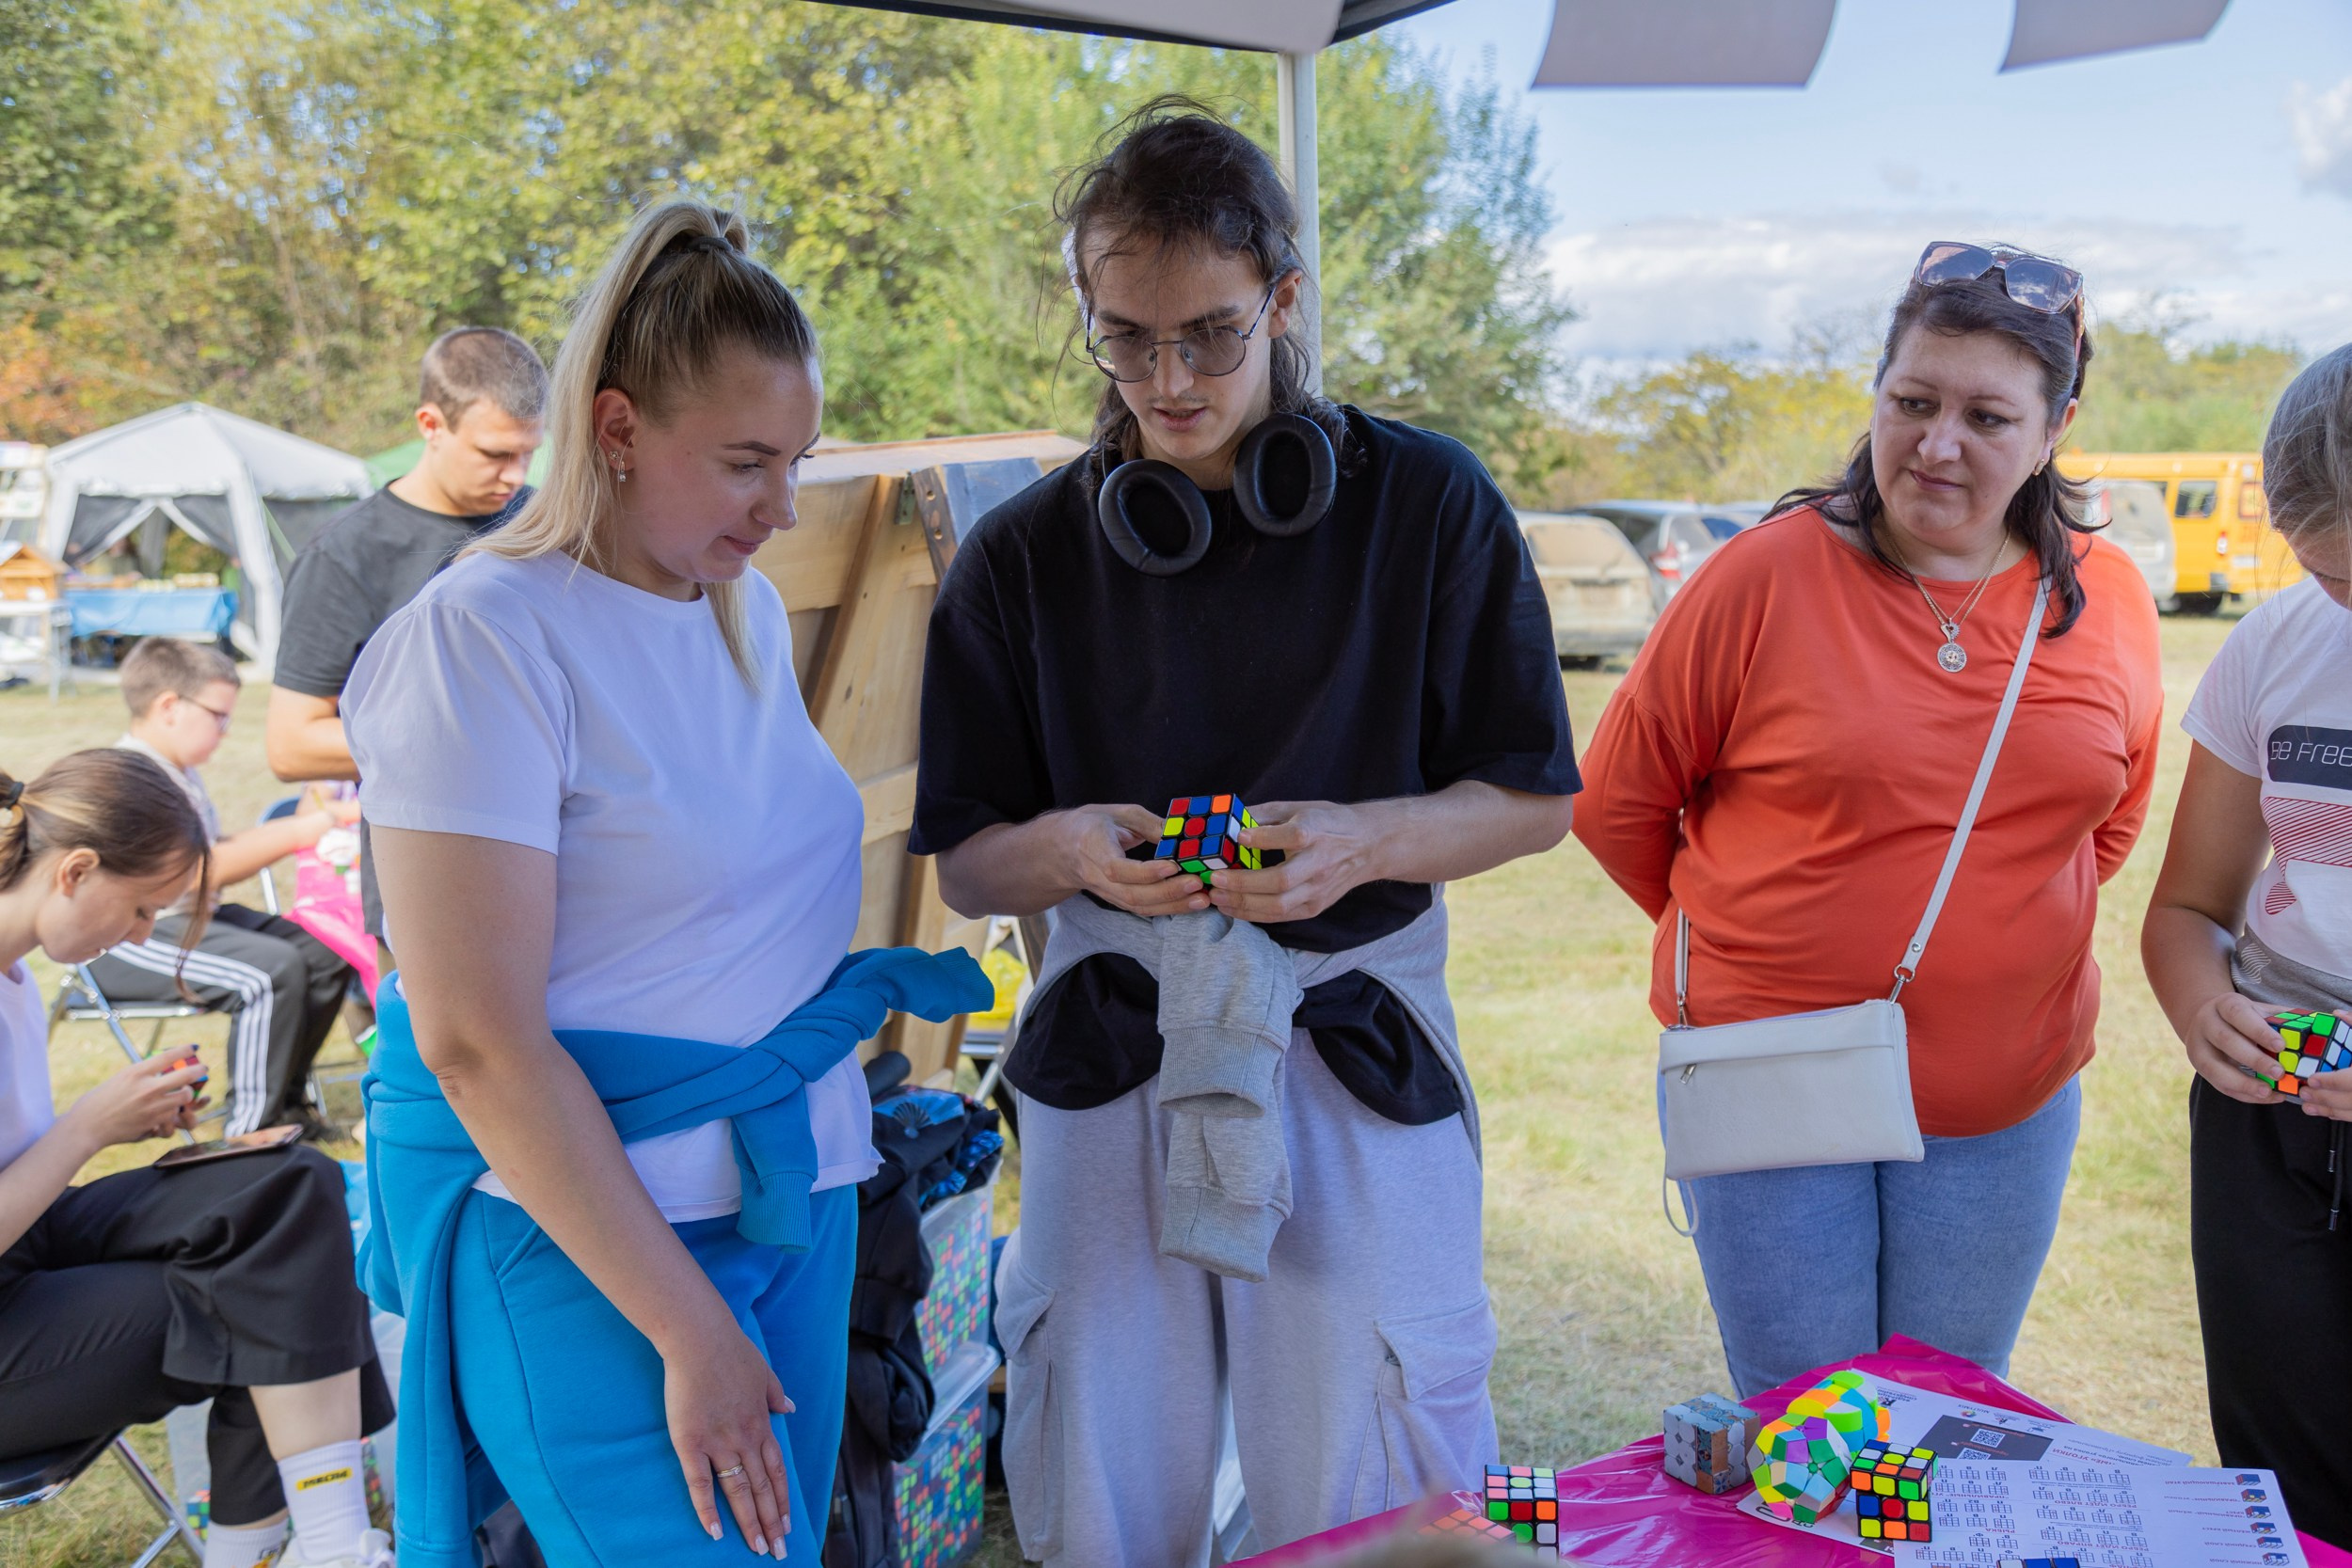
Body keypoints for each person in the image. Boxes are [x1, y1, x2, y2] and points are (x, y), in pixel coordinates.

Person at [911, 102, 1579, 1566]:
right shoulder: (1022, 555)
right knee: (1096, 1447)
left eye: (1210, 333)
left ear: (1285, 298)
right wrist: (1077, 851)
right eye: (1126, 338)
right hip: (1110, 1047)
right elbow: (966, 859)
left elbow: (1533, 800)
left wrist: (1371, 839)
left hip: (1351, 1043)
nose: (1168, 379)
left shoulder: (1429, 502)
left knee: (1365, 1464)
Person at [343, 199, 980, 1568]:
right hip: (586, 1237)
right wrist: (689, 1322)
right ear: (617, 428)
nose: (783, 506)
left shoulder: (734, 604)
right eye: (748, 461)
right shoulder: (482, 639)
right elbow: (474, 1038)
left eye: (796, 461)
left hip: (789, 1186)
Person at [1573, 242, 2163, 1399]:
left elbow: (2103, 823)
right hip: (1772, 1086)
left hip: (2004, 1103)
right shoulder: (1761, 576)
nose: (1937, 443)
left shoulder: (2111, 600)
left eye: (1987, 416)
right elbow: (1617, 806)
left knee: (1948, 1418)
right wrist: (1761, 939)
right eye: (1912, 401)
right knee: (1808, 1433)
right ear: (1877, 394)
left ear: (2056, 429)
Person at [0, 749, 395, 1568]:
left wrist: (127, 1120)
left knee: (289, 1187)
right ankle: (305, 1543)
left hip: (27, 1249)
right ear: (75, 871)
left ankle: (317, 1540)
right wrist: (86, 1127)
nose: (145, 935)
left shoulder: (13, 980)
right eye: (144, 909)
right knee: (262, 1284)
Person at [2144, 342, 2352, 1547]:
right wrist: (2198, 1007)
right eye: (2329, 576)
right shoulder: (2272, 643)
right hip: (2269, 1114)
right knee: (2278, 1479)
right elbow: (2186, 909)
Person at [266, 325, 548, 957]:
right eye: (495, 453)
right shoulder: (346, 557)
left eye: (529, 453)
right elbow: (292, 744)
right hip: (427, 889)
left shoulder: (547, 527)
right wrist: (474, 736)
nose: (515, 475)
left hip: (558, 871)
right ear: (431, 424)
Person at [85, 637, 358, 1135]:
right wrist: (298, 832)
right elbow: (187, 873)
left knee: (324, 955)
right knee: (268, 975)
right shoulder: (136, 776)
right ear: (169, 706)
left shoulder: (177, 771)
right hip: (128, 938)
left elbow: (214, 848)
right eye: (218, 715)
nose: (226, 731)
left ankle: (289, 1105)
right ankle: (252, 1132)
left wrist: (326, 817)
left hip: (191, 922)